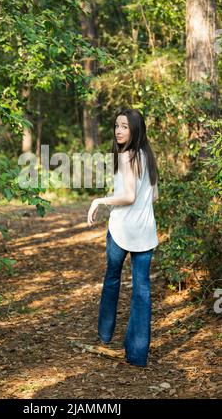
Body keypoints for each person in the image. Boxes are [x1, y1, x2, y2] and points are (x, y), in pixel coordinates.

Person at [87, 108, 159, 367]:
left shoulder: (128, 155)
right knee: (141, 290)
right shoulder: (147, 155)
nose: (118, 130)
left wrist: (101, 200)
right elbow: (153, 196)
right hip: (145, 232)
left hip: (121, 231)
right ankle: (137, 355)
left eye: (124, 126)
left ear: (135, 129)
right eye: (117, 125)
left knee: (112, 279)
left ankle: (105, 335)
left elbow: (128, 196)